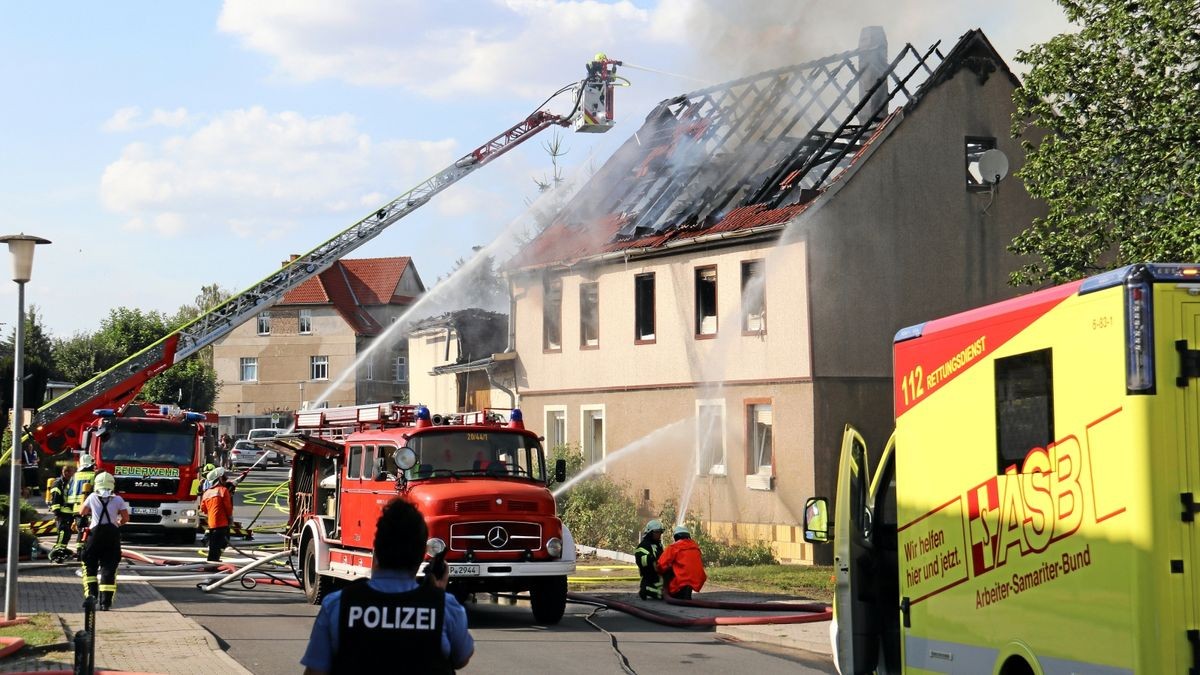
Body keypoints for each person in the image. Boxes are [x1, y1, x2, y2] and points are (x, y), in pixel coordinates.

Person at [301, 498, 473, 674]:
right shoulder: (446, 607)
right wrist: (434, 598)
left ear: (376, 548)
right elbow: (462, 658)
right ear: (421, 554)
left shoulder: (338, 605)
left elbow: (315, 671)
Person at [78, 471, 129, 610]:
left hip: (94, 535)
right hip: (112, 535)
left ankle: (91, 597)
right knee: (109, 568)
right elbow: (126, 518)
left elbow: (81, 512)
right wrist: (118, 522)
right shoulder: (118, 499)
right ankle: (105, 603)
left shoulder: (92, 497)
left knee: (90, 566)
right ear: (112, 484)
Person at [657, 524, 707, 600]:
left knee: (666, 568)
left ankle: (671, 592)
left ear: (675, 537)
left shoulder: (673, 547)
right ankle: (685, 589)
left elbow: (661, 564)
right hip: (697, 579)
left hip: (682, 579)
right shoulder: (695, 547)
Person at [200, 467, 235, 562]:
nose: (225, 479)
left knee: (214, 546)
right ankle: (212, 564)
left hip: (212, 524)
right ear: (219, 479)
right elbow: (228, 507)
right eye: (224, 477)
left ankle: (213, 562)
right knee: (222, 543)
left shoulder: (206, 493)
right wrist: (230, 519)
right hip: (222, 523)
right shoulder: (223, 491)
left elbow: (203, 509)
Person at [48, 464, 77, 561]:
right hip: (62, 513)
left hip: (69, 512)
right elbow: (55, 498)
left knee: (67, 534)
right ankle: (57, 551)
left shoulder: (70, 482)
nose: (72, 474)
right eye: (71, 472)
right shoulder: (58, 483)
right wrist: (57, 512)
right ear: (65, 472)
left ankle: (61, 551)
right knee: (63, 532)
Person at [67, 453, 97, 545]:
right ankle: (88, 550)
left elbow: (69, 491)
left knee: (81, 530)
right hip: (90, 509)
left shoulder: (75, 476)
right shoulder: (94, 475)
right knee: (91, 531)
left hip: (77, 509)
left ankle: (79, 550)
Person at [634, 519, 665, 600]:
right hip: (649, 579)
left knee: (672, 593)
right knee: (662, 596)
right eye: (657, 532)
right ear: (650, 532)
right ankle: (646, 590)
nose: (659, 534)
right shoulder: (643, 545)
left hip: (660, 578)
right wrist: (652, 558)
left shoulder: (659, 545)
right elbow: (641, 562)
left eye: (660, 532)